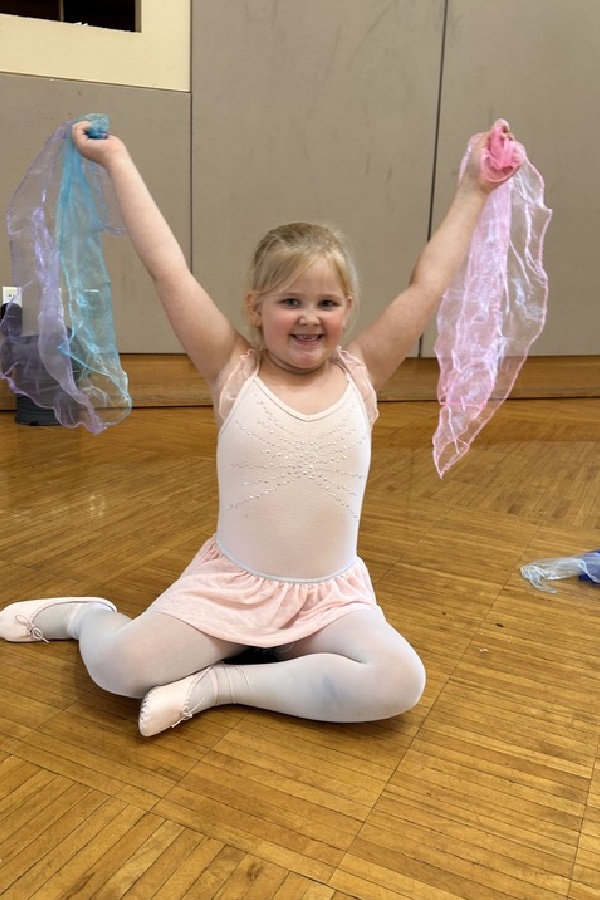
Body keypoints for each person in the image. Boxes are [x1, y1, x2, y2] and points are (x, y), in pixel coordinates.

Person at [0, 119, 520, 737]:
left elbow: (428, 281)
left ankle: (220, 685)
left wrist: (475, 188)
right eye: (290, 301)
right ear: (256, 308)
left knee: (398, 680)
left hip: (328, 599)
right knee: (122, 667)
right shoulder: (232, 369)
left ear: (348, 310)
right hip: (232, 589)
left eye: (326, 303)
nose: (309, 318)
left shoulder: (363, 373)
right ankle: (86, 615)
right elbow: (168, 268)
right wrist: (117, 160)